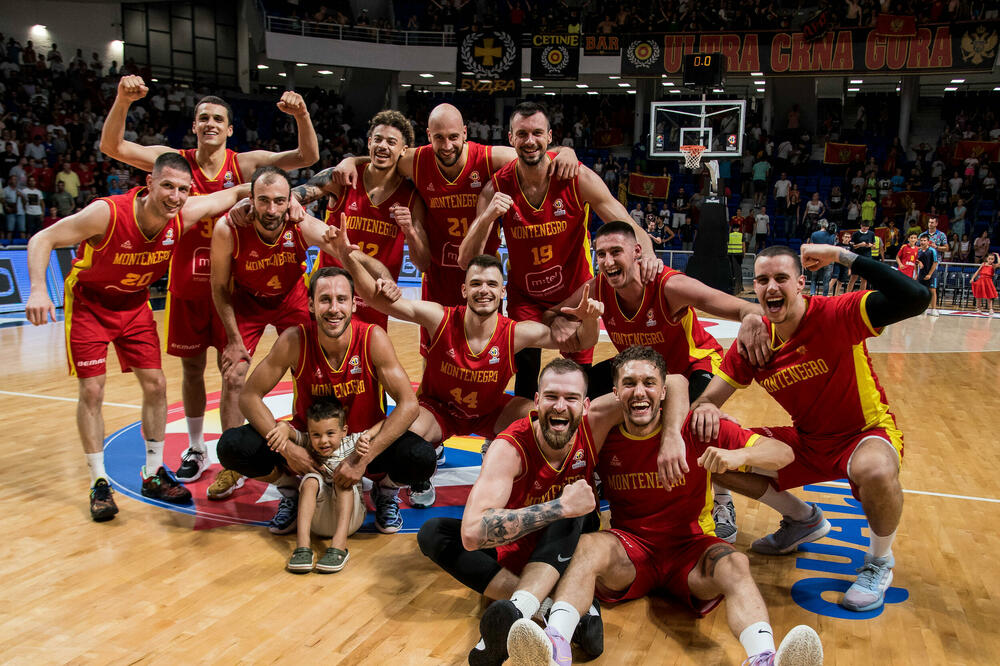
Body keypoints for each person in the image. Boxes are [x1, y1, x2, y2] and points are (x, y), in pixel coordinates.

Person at [505, 346, 823, 666]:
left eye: (649, 383)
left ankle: (763, 657)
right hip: (631, 549)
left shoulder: (697, 428)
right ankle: (555, 647)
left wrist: (740, 456)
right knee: (587, 546)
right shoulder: (601, 431)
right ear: (615, 392)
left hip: (690, 547)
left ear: (663, 391)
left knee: (735, 563)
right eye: (629, 383)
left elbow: (783, 454)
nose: (639, 392)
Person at [99, 74, 319, 489]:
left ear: (230, 128)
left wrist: (301, 115)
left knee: (232, 372)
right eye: (204, 118)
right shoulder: (173, 163)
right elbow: (113, 147)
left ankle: (238, 457)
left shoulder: (245, 164)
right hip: (187, 282)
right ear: (194, 125)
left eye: (218, 118)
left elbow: (305, 156)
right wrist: (123, 101)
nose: (210, 123)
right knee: (192, 370)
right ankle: (198, 447)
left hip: (231, 288)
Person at [690, 244, 930, 613]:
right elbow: (708, 400)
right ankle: (802, 519)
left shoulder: (837, 313)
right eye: (762, 280)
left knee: (875, 469)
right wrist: (709, 410)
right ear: (754, 288)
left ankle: (879, 562)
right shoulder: (754, 341)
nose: (772, 287)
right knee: (703, 444)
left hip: (864, 434)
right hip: (807, 441)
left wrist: (842, 256)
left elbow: (916, 298)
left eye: (781, 278)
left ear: (801, 283)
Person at [25, 153, 251, 521]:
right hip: (90, 304)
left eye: (183, 189)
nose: (175, 196)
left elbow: (235, 192)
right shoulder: (107, 214)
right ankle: (99, 481)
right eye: (167, 186)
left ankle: (154, 472)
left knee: (157, 385)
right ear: (149, 183)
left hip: (134, 306)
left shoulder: (183, 214)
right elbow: (43, 238)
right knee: (93, 390)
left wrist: (281, 195)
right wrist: (37, 289)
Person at [417, 358, 685, 666]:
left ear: (585, 405)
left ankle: (518, 611)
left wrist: (673, 434)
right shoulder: (509, 448)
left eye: (571, 398)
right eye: (551, 396)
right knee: (434, 533)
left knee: (578, 507)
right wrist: (558, 506)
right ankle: (548, 610)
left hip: (569, 554)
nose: (560, 406)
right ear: (536, 401)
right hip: (517, 550)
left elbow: (675, 381)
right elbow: (472, 533)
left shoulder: (594, 422)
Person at [334, 232, 603, 508]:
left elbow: (581, 341)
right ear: (464, 290)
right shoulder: (440, 318)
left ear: (502, 291)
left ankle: (544, 481)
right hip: (439, 410)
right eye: (476, 284)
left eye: (491, 284)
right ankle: (389, 488)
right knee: (403, 448)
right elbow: (378, 301)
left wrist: (590, 319)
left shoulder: (516, 333)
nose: (483, 290)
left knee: (550, 417)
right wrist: (347, 257)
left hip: (490, 411)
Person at [543, 221, 770, 543]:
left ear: (637, 252)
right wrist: (561, 321)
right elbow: (554, 313)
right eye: (601, 254)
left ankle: (721, 498)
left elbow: (743, 306)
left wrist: (751, 317)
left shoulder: (668, 286)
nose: (607, 261)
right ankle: (593, 470)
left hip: (694, 367)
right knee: (577, 395)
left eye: (616, 252)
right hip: (643, 374)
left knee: (695, 425)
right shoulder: (597, 289)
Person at [459, 101, 658, 400]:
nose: (530, 141)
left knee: (578, 379)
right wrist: (487, 217)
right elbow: (469, 260)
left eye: (537, 133)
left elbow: (624, 221)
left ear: (549, 136)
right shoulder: (496, 188)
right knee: (526, 378)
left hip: (576, 295)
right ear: (511, 138)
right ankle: (523, 427)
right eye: (522, 134)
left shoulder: (576, 177)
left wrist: (649, 252)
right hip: (526, 298)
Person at [215, 266, 433, 535]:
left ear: (354, 304)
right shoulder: (294, 339)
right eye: (325, 300)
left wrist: (362, 460)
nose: (334, 308)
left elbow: (409, 405)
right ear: (311, 304)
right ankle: (290, 491)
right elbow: (249, 396)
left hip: (362, 444)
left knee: (421, 457)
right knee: (232, 446)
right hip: (310, 444)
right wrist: (288, 449)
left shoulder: (372, 337)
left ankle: (385, 492)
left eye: (341, 299)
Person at [325, 102, 579, 313]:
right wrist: (351, 160)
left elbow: (532, 153)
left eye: (453, 137)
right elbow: (383, 157)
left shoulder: (489, 158)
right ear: (429, 136)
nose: (447, 146)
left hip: (481, 274)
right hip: (438, 276)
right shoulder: (416, 161)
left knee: (485, 349)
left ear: (465, 133)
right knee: (435, 350)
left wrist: (564, 151)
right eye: (439, 138)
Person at [210, 167, 345, 439]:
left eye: (279, 201)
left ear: (288, 200)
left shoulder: (299, 221)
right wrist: (234, 340)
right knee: (233, 374)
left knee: (314, 369)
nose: (271, 210)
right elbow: (219, 287)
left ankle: (316, 439)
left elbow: (343, 249)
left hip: (291, 295)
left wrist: (378, 278)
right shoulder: (228, 228)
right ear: (250, 199)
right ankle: (233, 454)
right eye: (263, 200)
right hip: (246, 300)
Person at [289, 109, 430, 331]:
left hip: (373, 296)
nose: (383, 146)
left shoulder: (412, 198)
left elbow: (422, 263)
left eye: (391, 142)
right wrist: (293, 203)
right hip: (330, 291)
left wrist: (410, 232)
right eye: (378, 139)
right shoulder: (342, 177)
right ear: (369, 142)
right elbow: (292, 195)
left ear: (403, 150)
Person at [286, 400, 370, 574]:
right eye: (316, 435)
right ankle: (302, 547)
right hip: (317, 524)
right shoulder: (308, 443)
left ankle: (339, 547)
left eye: (330, 433)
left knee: (342, 479)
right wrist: (282, 427)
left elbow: (385, 423)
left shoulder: (352, 443)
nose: (323, 441)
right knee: (310, 481)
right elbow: (288, 432)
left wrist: (368, 436)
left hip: (351, 521)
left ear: (344, 431)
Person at [918, 219, 947, 315]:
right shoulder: (922, 235)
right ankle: (922, 308)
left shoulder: (941, 235)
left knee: (932, 289)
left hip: (933, 266)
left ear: (936, 223)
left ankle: (934, 309)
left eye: (932, 222)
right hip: (922, 268)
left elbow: (947, 248)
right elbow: (916, 248)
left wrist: (937, 247)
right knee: (922, 289)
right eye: (929, 222)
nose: (930, 224)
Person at [807, 219, 837, 296]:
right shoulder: (832, 235)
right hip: (828, 260)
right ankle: (824, 296)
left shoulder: (814, 234)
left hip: (816, 259)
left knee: (814, 278)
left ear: (819, 225)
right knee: (826, 281)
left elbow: (811, 247)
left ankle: (812, 294)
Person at [846, 220, 875, 292]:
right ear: (861, 226)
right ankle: (847, 294)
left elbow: (874, 246)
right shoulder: (856, 234)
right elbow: (853, 247)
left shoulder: (871, 234)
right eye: (863, 227)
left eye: (866, 227)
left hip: (867, 257)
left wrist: (870, 245)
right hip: (857, 257)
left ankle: (861, 295)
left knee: (864, 278)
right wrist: (859, 245)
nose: (865, 229)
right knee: (853, 277)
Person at [728, 221, 745, 295]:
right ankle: (740, 286)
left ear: (733, 229)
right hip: (739, 255)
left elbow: (727, 244)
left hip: (730, 254)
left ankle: (732, 286)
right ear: (738, 229)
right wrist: (744, 253)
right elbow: (743, 245)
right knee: (739, 270)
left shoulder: (729, 235)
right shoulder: (741, 235)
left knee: (732, 270)